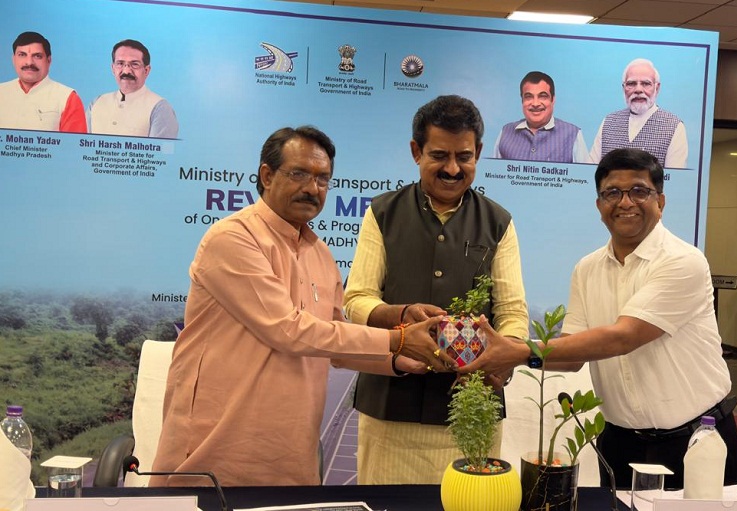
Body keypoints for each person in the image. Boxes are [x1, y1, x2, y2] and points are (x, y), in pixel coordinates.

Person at [149, 126, 451, 487]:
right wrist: (397, 339)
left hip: (290, 458)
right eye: (299, 174)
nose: (312, 188)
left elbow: (336, 345)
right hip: (216, 455)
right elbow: (287, 330)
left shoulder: (320, 254)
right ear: (266, 176)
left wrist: (405, 359)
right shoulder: (233, 238)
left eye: (323, 179)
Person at [459, 148, 737, 490]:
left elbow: (624, 337)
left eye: (639, 191)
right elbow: (572, 357)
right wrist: (508, 361)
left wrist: (518, 350)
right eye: (612, 193)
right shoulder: (587, 269)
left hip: (695, 442)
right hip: (620, 443)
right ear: (599, 205)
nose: (625, 202)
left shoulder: (683, 261)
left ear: (660, 201)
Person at [343, 95, 530, 484]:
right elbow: (356, 299)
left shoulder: (498, 222)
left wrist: (502, 357)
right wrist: (400, 316)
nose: (452, 168)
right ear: (416, 151)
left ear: (479, 153)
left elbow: (512, 312)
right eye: (439, 155)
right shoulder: (382, 213)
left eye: (464, 157)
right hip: (390, 410)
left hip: (472, 412)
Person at [589, 59, 688, 168]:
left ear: (657, 88)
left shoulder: (674, 126)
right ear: (623, 88)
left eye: (646, 84)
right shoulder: (608, 122)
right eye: (631, 84)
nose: (638, 90)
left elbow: (674, 176)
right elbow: (590, 170)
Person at [86, 39, 178, 138]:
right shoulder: (97, 103)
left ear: (146, 70)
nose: (126, 71)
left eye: (135, 64)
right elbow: (81, 145)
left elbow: (162, 148)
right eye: (120, 63)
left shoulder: (160, 108)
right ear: (113, 68)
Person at [493, 71, 590, 163]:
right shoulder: (505, 133)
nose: (535, 103)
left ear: (553, 100)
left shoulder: (573, 134)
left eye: (543, 96)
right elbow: (494, 173)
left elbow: (585, 174)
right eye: (528, 97)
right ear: (522, 100)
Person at [0, 31, 86, 132]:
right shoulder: (2, 91)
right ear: (14, 59)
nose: (29, 62)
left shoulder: (67, 98)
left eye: (37, 56)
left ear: (49, 60)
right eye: (22, 55)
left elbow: (73, 141)